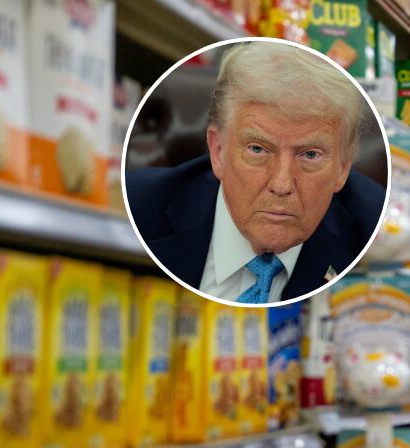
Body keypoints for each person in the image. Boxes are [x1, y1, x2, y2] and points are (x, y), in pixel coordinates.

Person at [126, 40, 385, 304]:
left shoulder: (377, 237)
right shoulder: (137, 207)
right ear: (218, 152)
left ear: (343, 168)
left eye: (310, 155)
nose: (281, 184)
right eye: (258, 149)